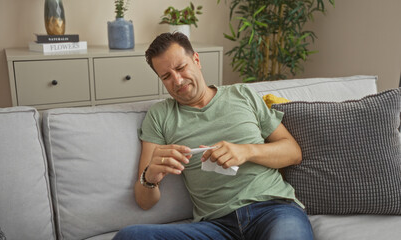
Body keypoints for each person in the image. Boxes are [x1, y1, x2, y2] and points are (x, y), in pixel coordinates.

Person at [113, 32, 313, 240]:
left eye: (181, 68)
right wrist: (150, 176)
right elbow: (145, 201)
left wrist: (246, 151)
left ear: (196, 60)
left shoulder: (241, 94)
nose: (178, 80)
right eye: (166, 76)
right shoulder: (159, 116)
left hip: (274, 211)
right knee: (131, 236)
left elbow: (293, 151)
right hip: (216, 227)